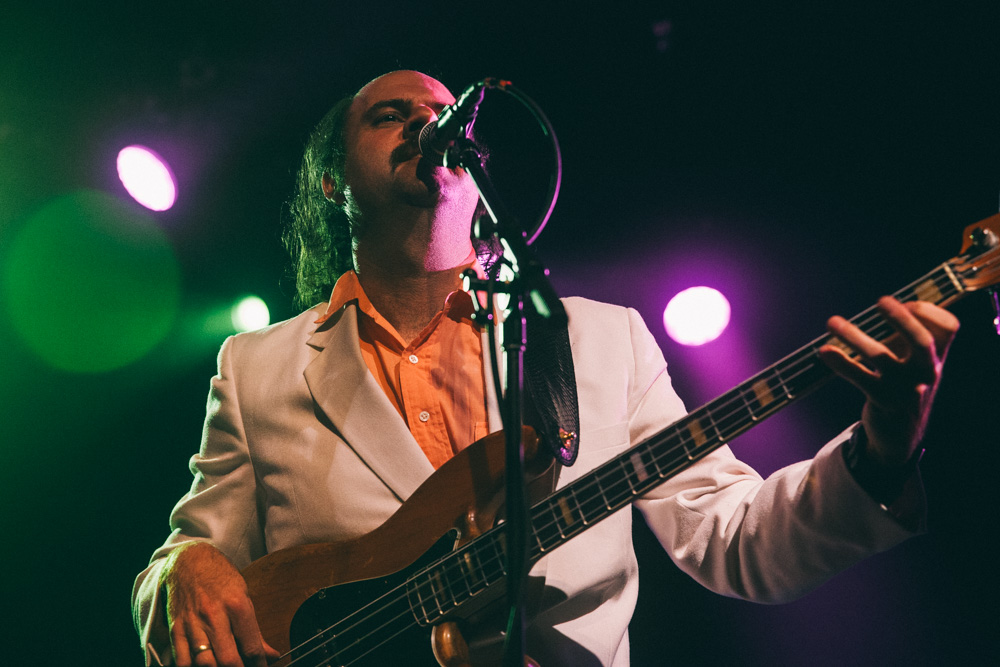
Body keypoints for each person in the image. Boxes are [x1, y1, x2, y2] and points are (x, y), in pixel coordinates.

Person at [132, 70, 959, 667]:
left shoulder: (601, 340)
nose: (430, 123)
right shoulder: (257, 365)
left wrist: (879, 454)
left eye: (443, 112)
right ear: (332, 180)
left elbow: (734, 538)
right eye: (393, 116)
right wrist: (183, 565)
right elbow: (189, 559)